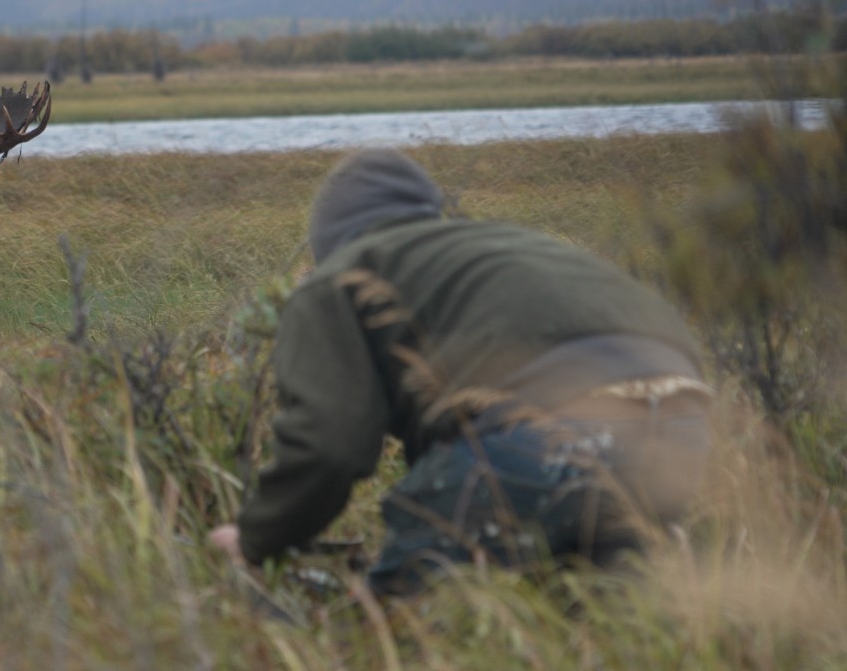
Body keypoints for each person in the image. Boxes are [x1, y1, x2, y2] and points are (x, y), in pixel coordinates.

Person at [209, 148, 713, 596]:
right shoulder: (491, 247)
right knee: (598, 622)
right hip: (684, 424)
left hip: (552, 432)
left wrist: (257, 539)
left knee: (405, 628)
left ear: (330, 238)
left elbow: (328, 445)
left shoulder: (342, 277)